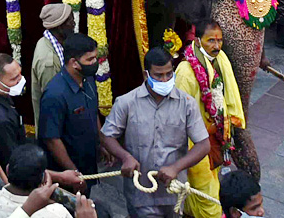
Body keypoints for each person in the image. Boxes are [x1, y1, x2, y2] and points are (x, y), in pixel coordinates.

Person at [100, 46, 211, 218]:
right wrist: (125, 157)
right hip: (140, 195)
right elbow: (107, 135)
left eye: (169, 74)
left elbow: (203, 145)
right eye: (158, 75)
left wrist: (176, 167)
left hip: (174, 193)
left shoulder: (187, 104)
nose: (165, 79)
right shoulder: (126, 102)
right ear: (146, 75)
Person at [173, 19, 245, 218]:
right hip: (194, 144)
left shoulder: (220, 60)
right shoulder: (186, 72)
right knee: (209, 197)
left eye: (219, 41)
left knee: (206, 189)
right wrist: (205, 130)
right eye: (211, 41)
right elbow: (178, 117)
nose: (217, 46)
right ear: (197, 40)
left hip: (215, 140)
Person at [37, 33, 101, 176]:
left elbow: (93, 111)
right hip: (67, 173)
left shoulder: (88, 79)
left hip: (88, 164)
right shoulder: (54, 94)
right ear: (74, 63)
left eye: (95, 57)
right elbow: (52, 140)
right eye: (90, 59)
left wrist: (101, 143)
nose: (95, 62)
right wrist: (73, 172)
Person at [30, 3, 74, 130]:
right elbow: (54, 103)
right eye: (70, 20)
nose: (73, 23)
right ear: (59, 27)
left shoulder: (50, 41)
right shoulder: (48, 62)